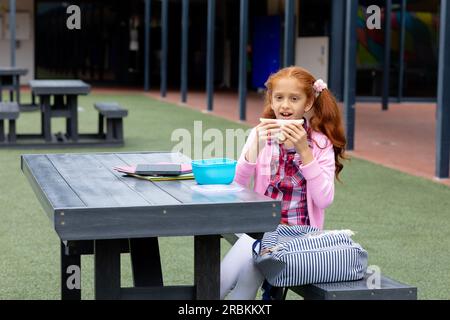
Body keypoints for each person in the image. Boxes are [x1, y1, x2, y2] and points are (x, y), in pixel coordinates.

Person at [220, 66, 347, 300]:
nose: (285, 105)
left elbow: (324, 199)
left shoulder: (320, 144)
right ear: (271, 99)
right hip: (261, 229)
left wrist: (305, 152)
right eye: (279, 98)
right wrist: (253, 149)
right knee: (242, 268)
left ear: (308, 104)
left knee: (249, 256)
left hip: (299, 237)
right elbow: (234, 188)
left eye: (294, 99)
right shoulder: (260, 135)